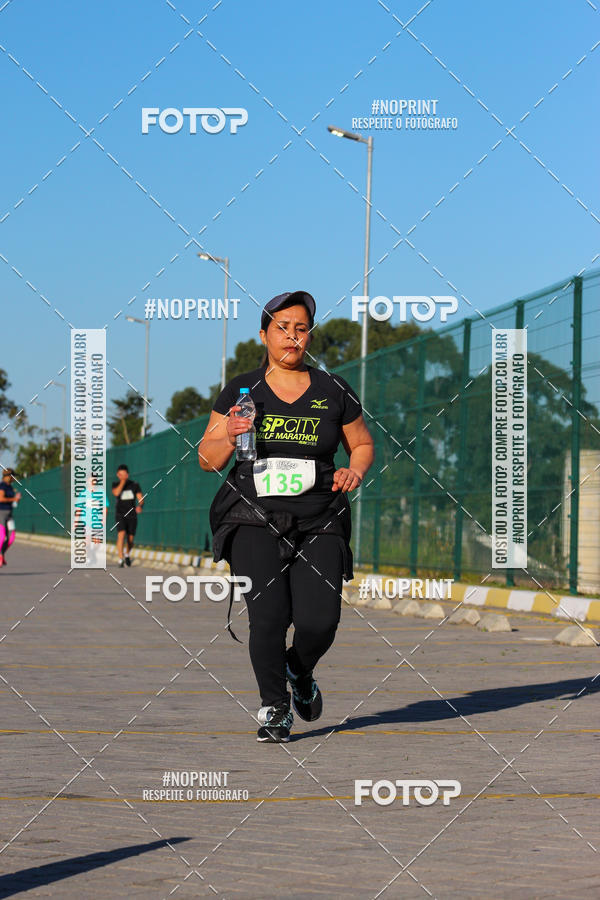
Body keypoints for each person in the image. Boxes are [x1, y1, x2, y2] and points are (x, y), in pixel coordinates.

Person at [198, 291, 374, 743]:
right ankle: (274, 708)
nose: (292, 337)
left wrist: (354, 469)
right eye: (282, 327)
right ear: (264, 335)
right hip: (253, 516)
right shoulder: (242, 390)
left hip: (320, 517)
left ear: (308, 336)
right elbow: (207, 458)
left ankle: (300, 668)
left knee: (320, 621)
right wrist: (231, 432)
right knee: (269, 617)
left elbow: (363, 443)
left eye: (300, 328)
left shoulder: (334, 388)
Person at [111, 464, 143, 567]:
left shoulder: (134, 485)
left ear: (127, 474)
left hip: (132, 515)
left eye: (124, 475)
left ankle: (127, 554)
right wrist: (122, 482)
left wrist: (140, 505)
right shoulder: (115, 484)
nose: (122, 476)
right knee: (121, 534)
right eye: (120, 475)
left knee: (130, 539)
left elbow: (140, 498)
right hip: (120, 514)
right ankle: (120, 559)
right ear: (117, 475)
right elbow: (116, 493)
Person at [0, 468, 21, 567]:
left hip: (9, 514)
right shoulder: (2, 486)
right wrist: (14, 498)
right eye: (13, 477)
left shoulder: (10, 487)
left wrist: (16, 500)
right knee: (2, 535)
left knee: (11, 536)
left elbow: (12, 501)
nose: (14, 479)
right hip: (1, 513)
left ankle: (2, 554)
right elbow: (1, 498)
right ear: (9, 476)